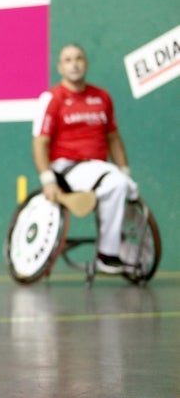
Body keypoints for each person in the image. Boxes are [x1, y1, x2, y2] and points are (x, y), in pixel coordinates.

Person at [32, 43, 139, 274]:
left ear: (86, 64)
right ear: (60, 67)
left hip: (99, 169)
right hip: (67, 169)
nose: (74, 64)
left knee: (127, 187)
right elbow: (40, 143)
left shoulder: (102, 97)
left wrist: (125, 171)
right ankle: (106, 255)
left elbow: (113, 138)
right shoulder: (52, 99)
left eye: (79, 58)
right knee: (117, 184)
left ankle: (131, 250)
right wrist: (48, 181)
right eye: (68, 60)